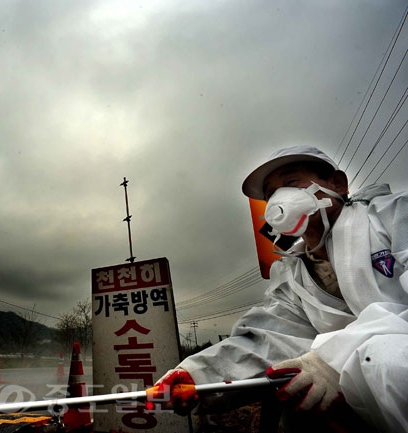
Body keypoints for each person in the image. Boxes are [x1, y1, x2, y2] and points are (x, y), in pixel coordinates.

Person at [151, 146, 408, 432]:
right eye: (271, 194)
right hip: (369, 411)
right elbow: (272, 339)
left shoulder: (393, 216)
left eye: (291, 183)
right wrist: (198, 375)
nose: (280, 199)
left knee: (382, 357)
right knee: (297, 400)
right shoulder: (291, 273)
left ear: (337, 183)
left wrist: (336, 358)